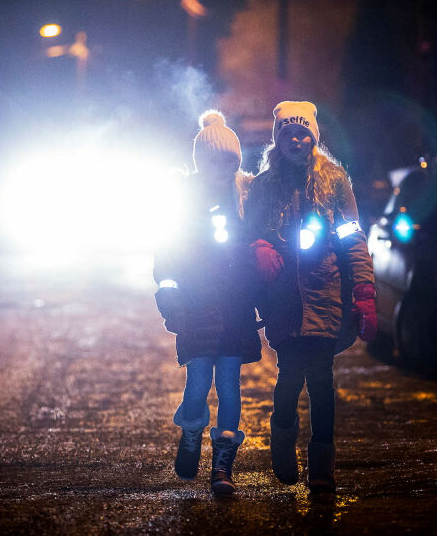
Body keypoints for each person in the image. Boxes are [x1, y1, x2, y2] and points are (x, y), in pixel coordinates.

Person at [243, 100, 377, 493]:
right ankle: (283, 448)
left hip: (324, 296)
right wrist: (258, 248)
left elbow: (352, 236)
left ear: (314, 139)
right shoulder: (264, 185)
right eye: (288, 133)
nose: (296, 140)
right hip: (283, 300)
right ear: (278, 138)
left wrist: (364, 291)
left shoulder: (334, 180)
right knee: (288, 378)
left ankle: (322, 467)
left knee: (321, 381)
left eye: (303, 134)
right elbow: (248, 232)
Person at [153, 109, 262, 495]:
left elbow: (254, 257)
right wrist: (173, 305)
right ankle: (191, 433)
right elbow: (166, 261)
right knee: (198, 383)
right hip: (196, 312)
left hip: (233, 313)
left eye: (230, 161)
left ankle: (222, 464)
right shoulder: (183, 203)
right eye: (216, 161)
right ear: (201, 161)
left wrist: (264, 296)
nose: (223, 168)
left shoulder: (244, 198)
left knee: (230, 386)